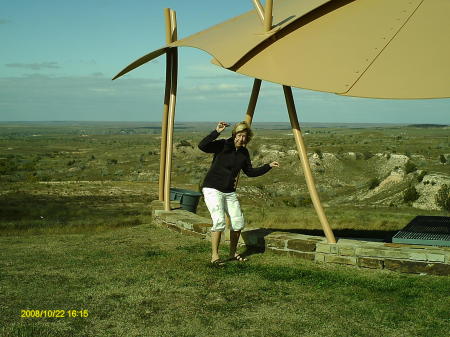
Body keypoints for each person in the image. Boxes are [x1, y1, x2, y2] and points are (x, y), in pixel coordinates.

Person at [198, 121, 279, 265]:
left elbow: (250, 172)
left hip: (229, 191)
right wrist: (216, 131)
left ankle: (232, 253)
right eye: (240, 135)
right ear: (234, 134)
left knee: (238, 223)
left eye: (245, 137)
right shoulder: (222, 145)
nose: (242, 139)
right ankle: (215, 257)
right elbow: (202, 146)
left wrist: (268, 166)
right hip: (212, 188)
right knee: (219, 221)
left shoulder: (244, 153)